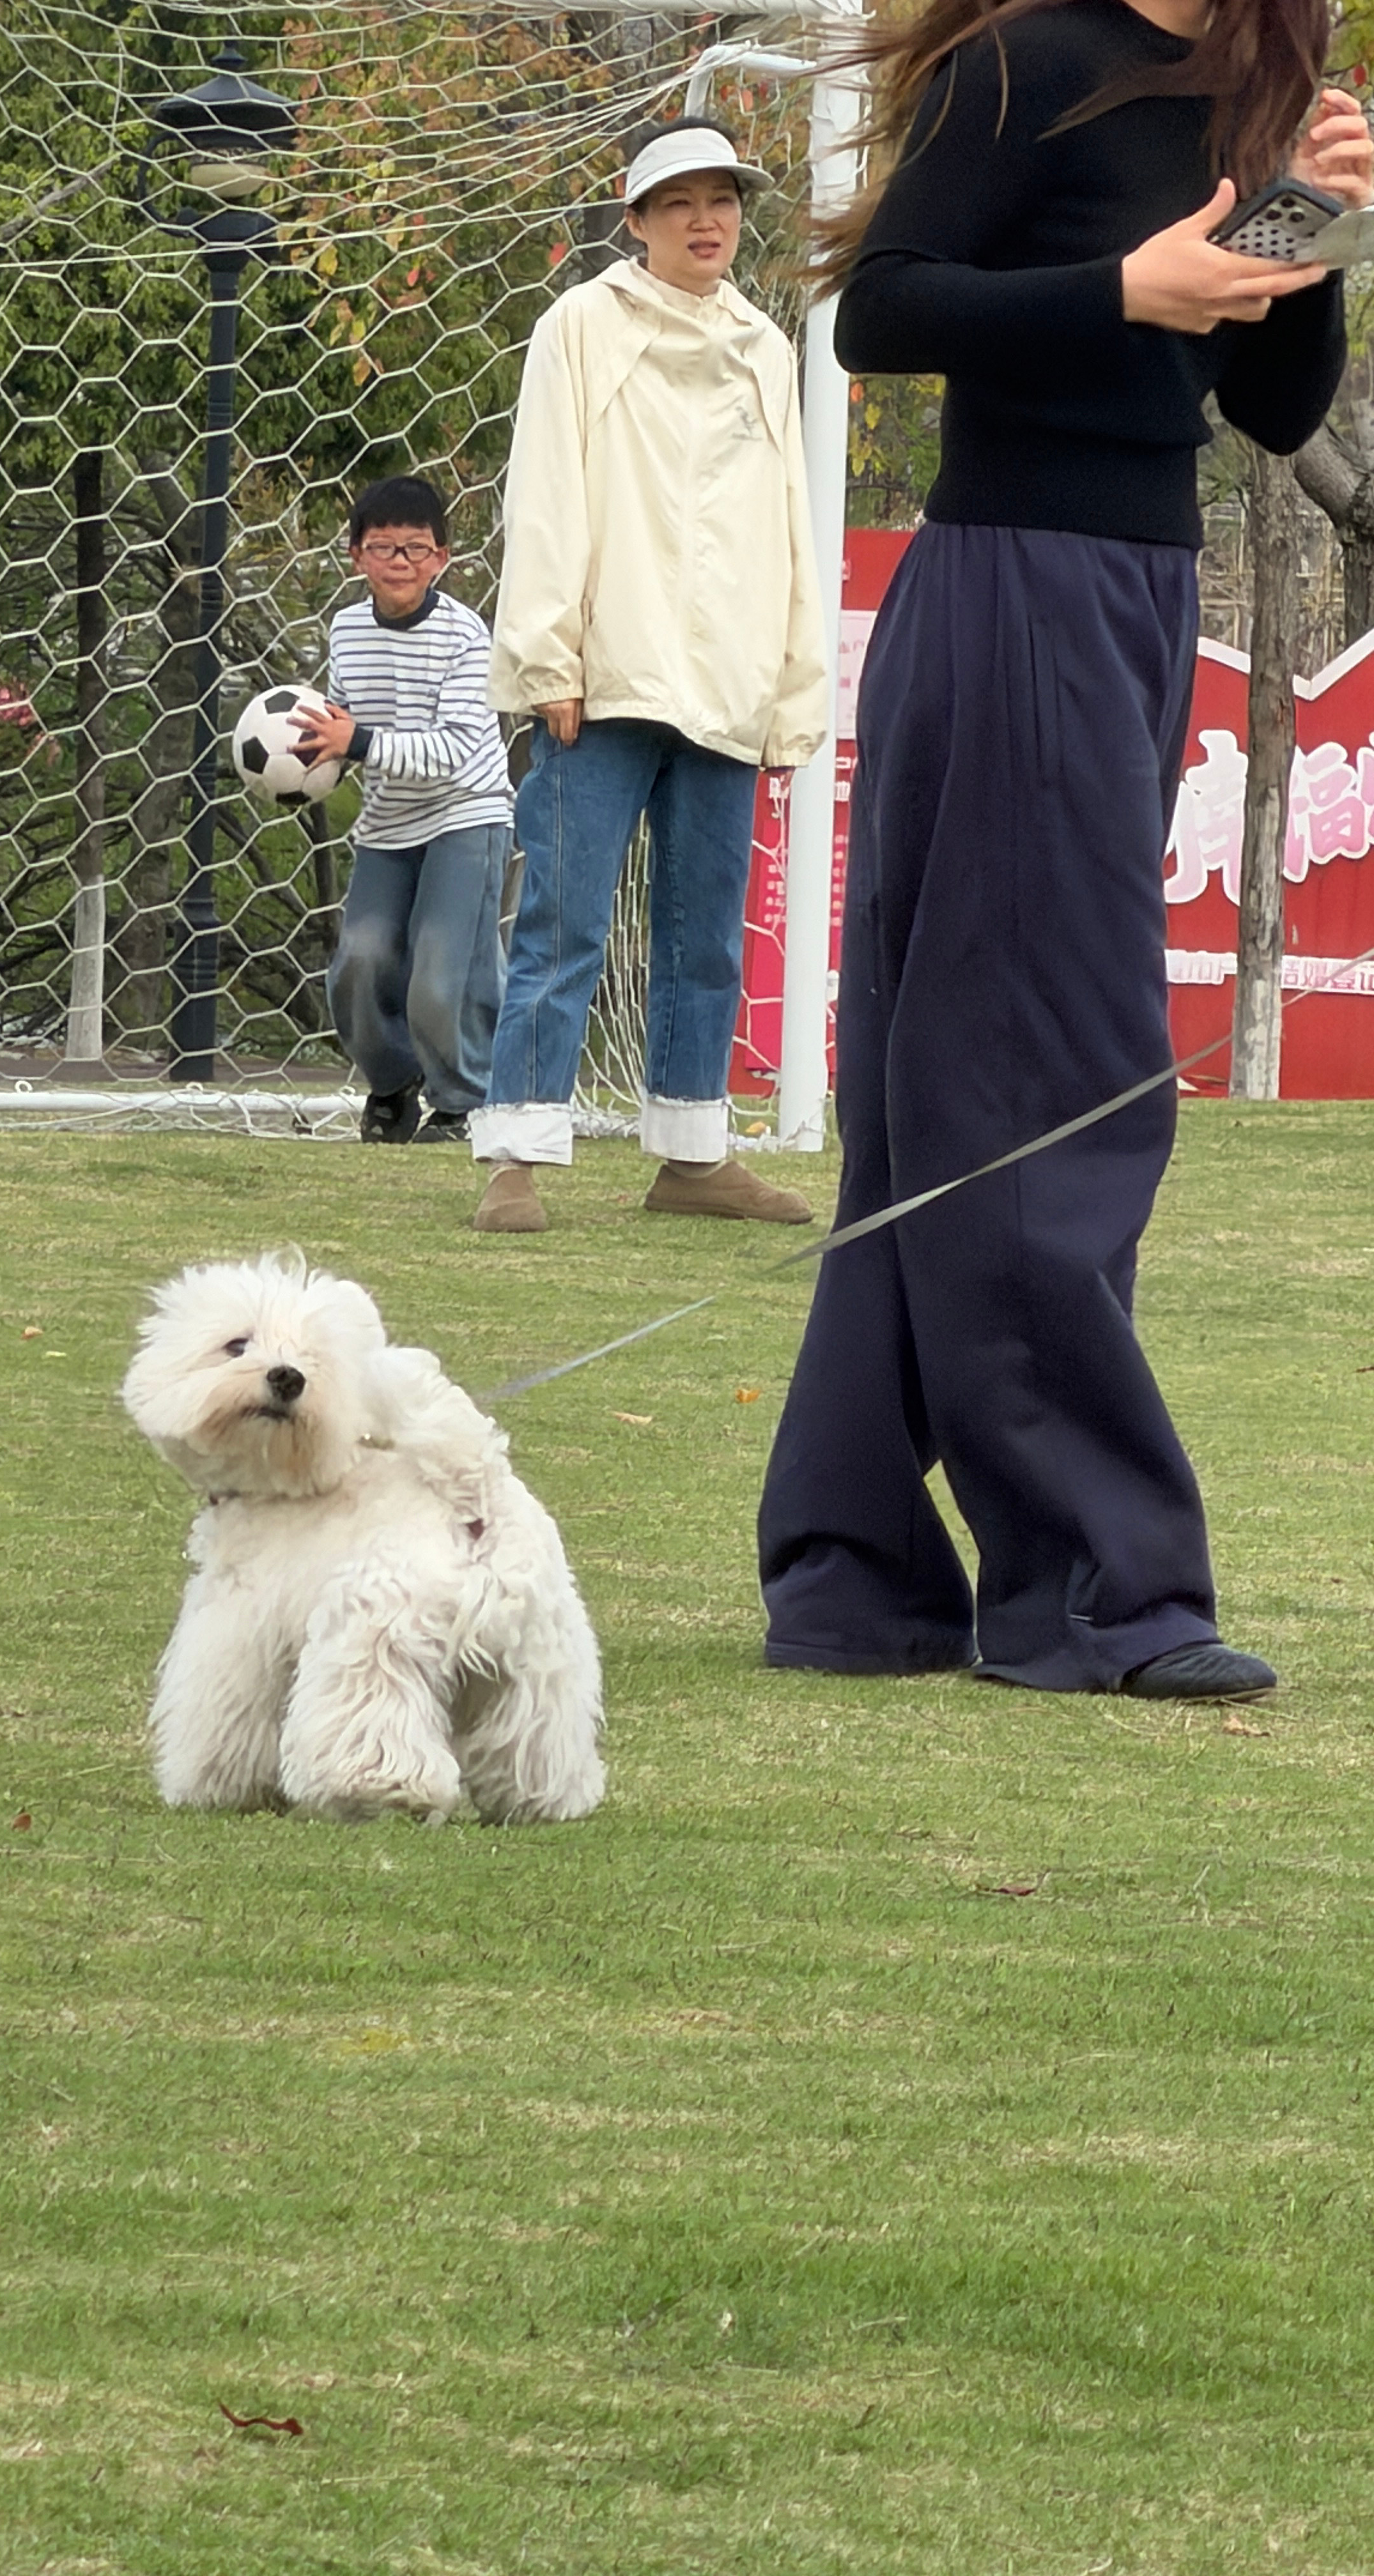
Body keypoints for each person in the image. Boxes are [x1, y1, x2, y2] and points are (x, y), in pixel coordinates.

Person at [757, 0, 1370, 1701]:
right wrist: (1123, 289)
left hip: (1135, 591)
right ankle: (1092, 1592)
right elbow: (882, 310)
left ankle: (854, 1571)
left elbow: (1264, 398)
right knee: (1057, 1073)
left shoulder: (1264, 89)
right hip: (1019, 577)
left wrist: (1314, 233)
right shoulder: (1026, 58)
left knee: (952, 1085)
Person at [468, 118, 828, 1234]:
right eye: (679, 202)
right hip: (604, 673)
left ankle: (690, 1151)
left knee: (704, 930)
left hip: (724, 684)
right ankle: (516, 1151)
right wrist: (545, 656)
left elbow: (787, 523)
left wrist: (790, 681)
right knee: (564, 917)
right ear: (634, 220)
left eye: (720, 200)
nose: (705, 220)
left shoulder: (767, 347)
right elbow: (543, 496)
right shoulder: (578, 326)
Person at [300, 475, 513, 1145]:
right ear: (355, 555)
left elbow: (453, 751)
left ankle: (463, 1102)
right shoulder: (346, 629)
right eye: (383, 547)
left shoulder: (465, 636)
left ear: (444, 558)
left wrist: (356, 742)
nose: (400, 563)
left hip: (466, 815)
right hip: (389, 821)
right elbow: (340, 722)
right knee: (359, 960)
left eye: (416, 549)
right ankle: (392, 1088)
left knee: (440, 971)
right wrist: (313, 759)